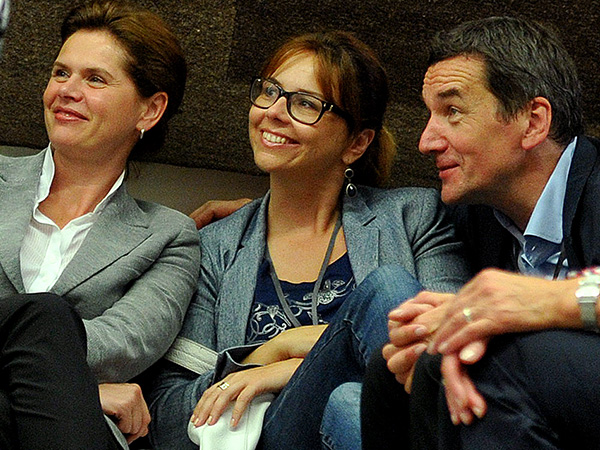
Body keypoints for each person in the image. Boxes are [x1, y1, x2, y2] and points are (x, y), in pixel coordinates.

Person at [147, 30, 469, 450]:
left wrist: (291, 368)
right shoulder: (216, 248)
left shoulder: (414, 217)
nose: (274, 112)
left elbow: (454, 344)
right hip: (274, 439)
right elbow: (168, 422)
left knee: (349, 403)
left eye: (305, 104)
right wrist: (269, 353)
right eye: (269, 92)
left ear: (357, 143)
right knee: (383, 306)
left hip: (377, 430)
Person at [361, 16, 600, 449]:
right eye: (430, 115)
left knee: (496, 364)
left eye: (452, 112)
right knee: (399, 366)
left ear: (533, 122)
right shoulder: (479, 214)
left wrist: (546, 302)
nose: (426, 141)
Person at [0, 1, 200, 448]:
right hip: (71, 408)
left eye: (95, 79)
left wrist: (40, 378)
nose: (67, 90)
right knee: (43, 319)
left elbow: (124, 345)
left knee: (45, 321)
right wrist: (77, 390)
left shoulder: (169, 237)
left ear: (149, 111)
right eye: (61, 73)